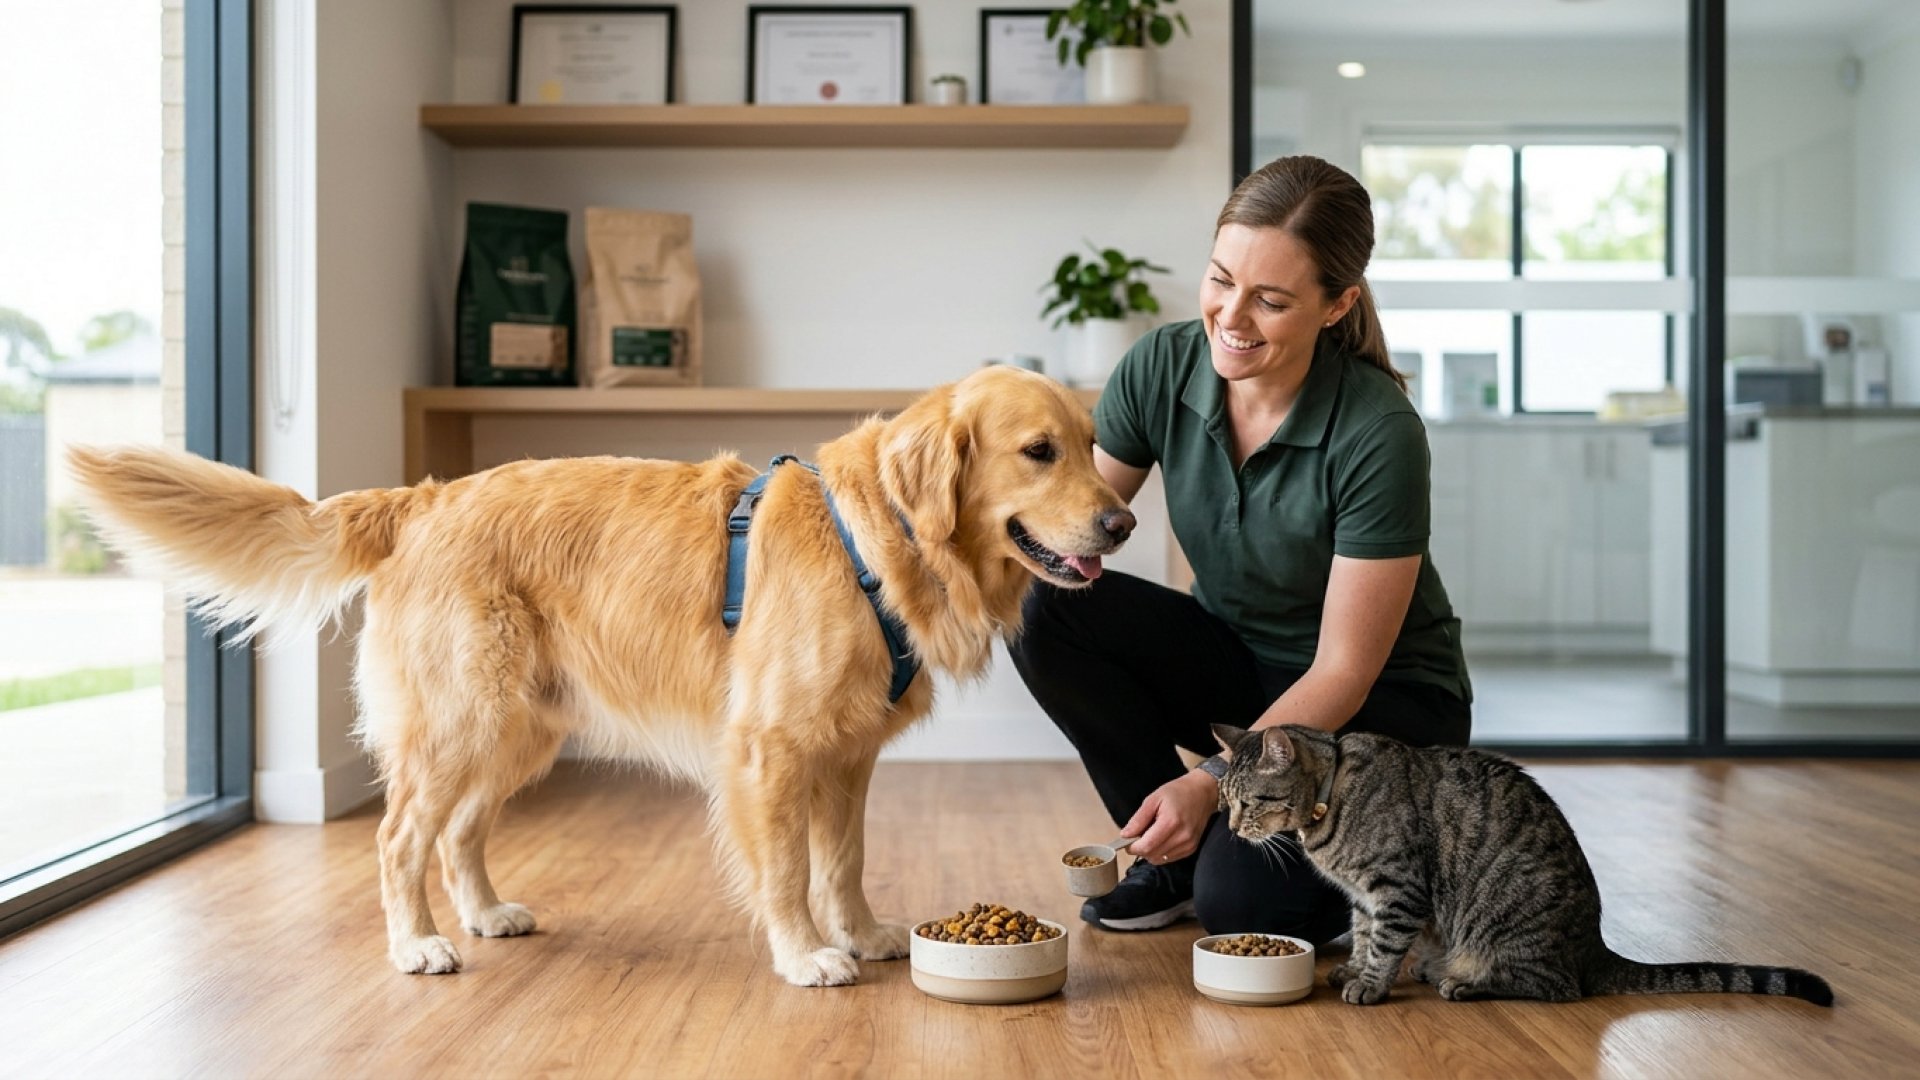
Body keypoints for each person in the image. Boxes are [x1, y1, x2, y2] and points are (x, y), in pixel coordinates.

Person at [1009, 155, 1473, 943]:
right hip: (1245, 664)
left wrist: (1215, 779)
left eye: (1272, 300)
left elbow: (1342, 671)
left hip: (1380, 710)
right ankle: (1170, 858)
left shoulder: (1378, 433)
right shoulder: (1162, 364)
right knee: (1042, 604)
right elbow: (1076, 522)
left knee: (1241, 911)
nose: (1232, 315)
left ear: (1337, 307)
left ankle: (1410, 862)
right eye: (1221, 278)